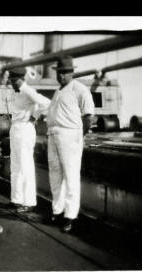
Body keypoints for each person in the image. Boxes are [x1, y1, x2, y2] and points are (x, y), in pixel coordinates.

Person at [46, 55, 95, 233]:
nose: (61, 75)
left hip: (70, 136)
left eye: (65, 72)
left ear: (71, 72)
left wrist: (78, 136)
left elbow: (89, 116)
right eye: (59, 72)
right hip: (54, 135)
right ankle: (57, 211)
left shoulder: (79, 89)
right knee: (55, 175)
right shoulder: (58, 92)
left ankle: (70, 216)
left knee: (71, 177)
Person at [0, 67, 51, 215]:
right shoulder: (17, 92)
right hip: (15, 129)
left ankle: (29, 202)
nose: (12, 83)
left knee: (26, 167)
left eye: (13, 81)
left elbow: (46, 103)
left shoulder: (28, 90)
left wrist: (35, 115)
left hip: (25, 130)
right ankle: (16, 200)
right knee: (15, 167)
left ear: (20, 79)